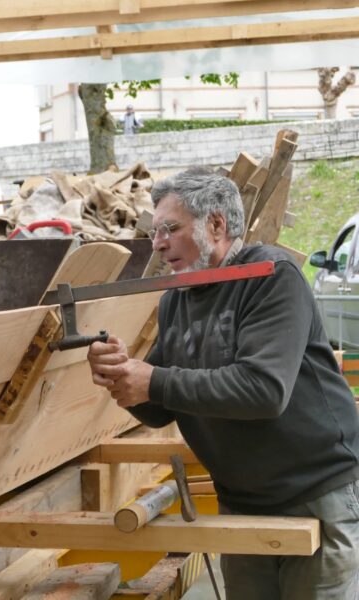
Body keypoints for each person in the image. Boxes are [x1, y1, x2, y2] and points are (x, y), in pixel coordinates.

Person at [87, 168, 359, 599]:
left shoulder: (270, 276)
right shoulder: (177, 299)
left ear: (216, 224)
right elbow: (159, 408)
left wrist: (153, 379)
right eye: (156, 232)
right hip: (244, 499)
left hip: (314, 493)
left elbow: (264, 390)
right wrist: (121, 377)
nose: (157, 243)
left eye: (170, 229)